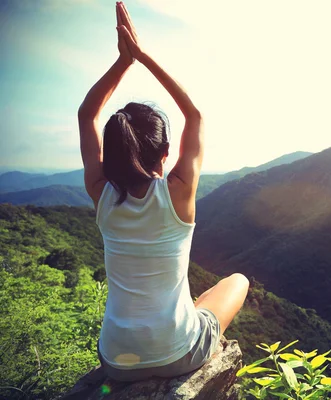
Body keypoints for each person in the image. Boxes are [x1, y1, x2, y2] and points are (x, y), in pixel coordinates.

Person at [77, 1, 249, 381]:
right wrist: (142, 56)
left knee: (194, 302)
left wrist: (123, 63)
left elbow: (87, 114)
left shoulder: (99, 192)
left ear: (114, 155)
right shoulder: (178, 192)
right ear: (166, 152)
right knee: (237, 281)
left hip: (116, 362)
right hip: (178, 354)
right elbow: (196, 116)